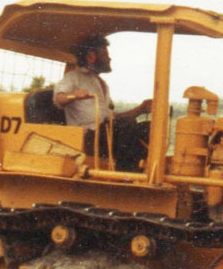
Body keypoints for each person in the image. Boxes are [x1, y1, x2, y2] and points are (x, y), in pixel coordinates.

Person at [54, 34, 152, 170]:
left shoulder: (101, 83)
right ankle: (126, 174)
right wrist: (74, 95)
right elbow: (59, 98)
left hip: (104, 133)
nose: (109, 58)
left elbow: (111, 118)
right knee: (124, 127)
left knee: (149, 128)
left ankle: (144, 169)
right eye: (105, 54)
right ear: (91, 56)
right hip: (88, 136)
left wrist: (140, 109)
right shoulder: (74, 77)